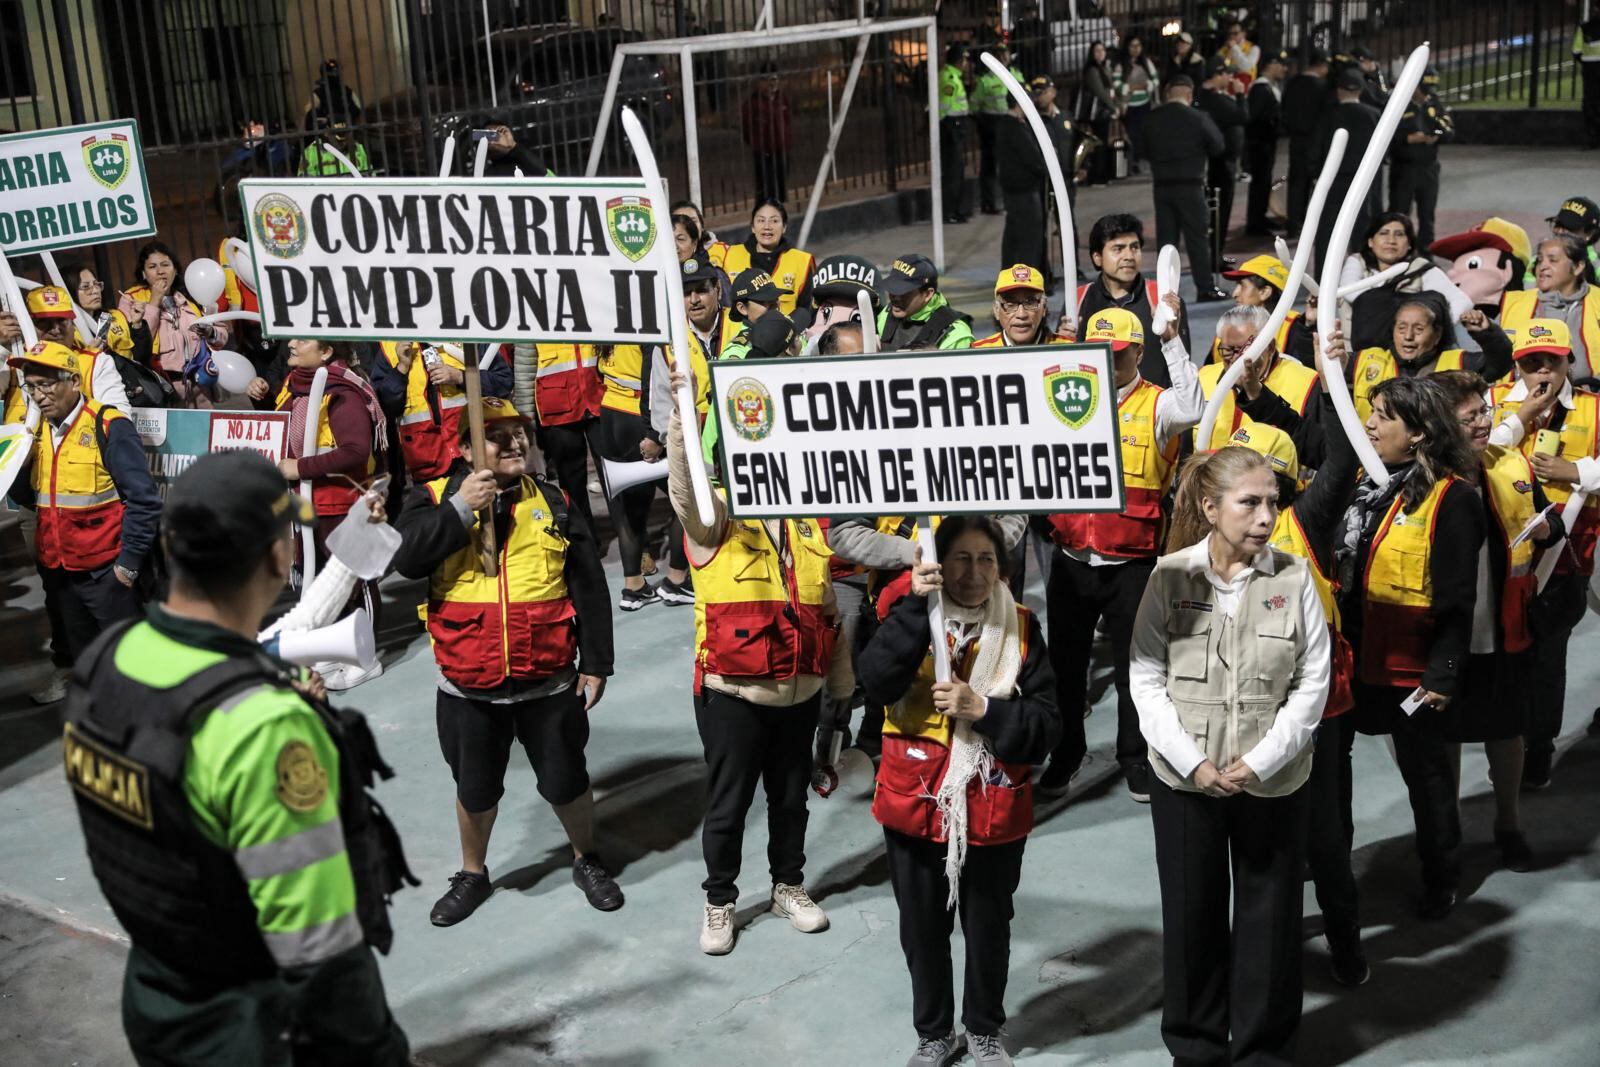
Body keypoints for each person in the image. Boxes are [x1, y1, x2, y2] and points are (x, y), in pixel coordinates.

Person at [67, 450, 411, 1065]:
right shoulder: (261, 729)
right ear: (280, 558)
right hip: (253, 1031)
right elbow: (322, 957)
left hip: (160, 1005)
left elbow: (280, 634)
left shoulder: (109, 659)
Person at [391, 396, 621, 925]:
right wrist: (460, 508)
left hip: (548, 681)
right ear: (465, 447)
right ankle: (473, 872)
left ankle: (587, 859)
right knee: (475, 788)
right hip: (468, 686)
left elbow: (587, 584)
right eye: (498, 435)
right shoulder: (430, 498)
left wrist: (597, 661)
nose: (516, 442)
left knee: (567, 780)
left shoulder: (556, 500)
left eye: (521, 432)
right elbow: (405, 558)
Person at [1132, 445, 1328, 1065]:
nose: (1267, 516)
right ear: (1211, 508)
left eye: (1273, 501)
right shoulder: (1168, 577)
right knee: (1192, 917)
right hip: (1186, 780)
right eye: (1250, 503)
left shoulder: (1296, 578)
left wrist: (1261, 762)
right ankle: (1195, 1047)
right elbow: (1145, 676)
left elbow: (1312, 683)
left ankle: (1264, 1050)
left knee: (1270, 920)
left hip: (1272, 781)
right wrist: (1193, 763)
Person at [857, 517, 1060, 1067]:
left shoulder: (1020, 627)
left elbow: (1046, 728)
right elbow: (873, 683)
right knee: (922, 927)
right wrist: (911, 617)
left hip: (992, 806)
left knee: (989, 924)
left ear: (1002, 567)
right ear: (938, 564)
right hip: (916, 802)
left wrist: (984, 710)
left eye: (986, 560)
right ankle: (933, 1033)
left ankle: (985, 1029)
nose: (973, 573)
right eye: (961, 560)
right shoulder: (912, 615)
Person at [665, 368, 841, 957]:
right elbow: (686, 492)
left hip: (801, 693)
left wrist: (838, 691)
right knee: (729, 804)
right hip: (733, 695)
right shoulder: (716, 522)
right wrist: (681, 416)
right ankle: (720, 901)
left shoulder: (807, 524)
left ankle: (788, 885)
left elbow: (829, 610)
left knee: (790, 800)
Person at [1036, 306, 1203, 798]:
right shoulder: (1067, 398)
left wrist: (1172, 340)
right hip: (1071, 560)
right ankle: (1065, 756)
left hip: (1132, 565)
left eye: (1119, 354)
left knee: (1140, 670)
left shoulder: (1159, 406)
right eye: (1100, 353)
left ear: (1138, 352)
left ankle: (1136, 757)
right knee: (1065, 669)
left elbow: (1193, 405)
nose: (1109, 363)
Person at [1338, 375, 1483, 919]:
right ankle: (1333, 861)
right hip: (1350, 665)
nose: (1370, 423)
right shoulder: (1358, 484)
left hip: (1410, 672)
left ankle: (1442, 873)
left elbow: (1456, 601)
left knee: (1427, 778)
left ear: (1419, 433)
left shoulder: (1454, 500)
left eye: (1384, 417)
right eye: (1371, 412)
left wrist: (1442, 676)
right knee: (1332, 775)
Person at [1431, 368, 1551, 870]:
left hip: (1504, 627)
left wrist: (1546, 527)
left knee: (1507, 731)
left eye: (1485, 410)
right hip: (1443, 638)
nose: (1483, 422)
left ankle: (1509, 823)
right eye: (1470, 416)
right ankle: (1448, 831)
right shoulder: (1421, 480)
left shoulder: (1506, 463)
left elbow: (1540, 514)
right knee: (1444, 740)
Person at [7, 340, 160, 703]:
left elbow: (144, 499)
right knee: (69, 637)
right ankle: (74, 682)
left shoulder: (109, 425)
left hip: (105, 567)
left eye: (47, 384)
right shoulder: (34, 432)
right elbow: (31, 497)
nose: (39, 396)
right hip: (57, 565)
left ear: (74, 381)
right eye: (31, 386)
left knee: (126, 647)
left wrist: (128, 564)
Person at [1486, 319, 1600, 790]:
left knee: (1549, 657)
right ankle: (1506, 737)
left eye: (1550, 361)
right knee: (1505, 658)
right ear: (1517, 367)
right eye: (1531, 363)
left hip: (1567, 556)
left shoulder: (1594, 410)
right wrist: (1521, 418)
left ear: (1568, 361)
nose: (1542, 372)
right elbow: (1470, 456)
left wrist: (1576, 469)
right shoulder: (1493, 404)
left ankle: (1540, 746)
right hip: (1500, 556)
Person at [273, 339, 386, 687]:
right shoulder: (292, 388)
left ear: (325, 353)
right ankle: (335, 651)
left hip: (343, 503)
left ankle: (365, 658)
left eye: (302, 339)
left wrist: (300, 468)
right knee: (320, 582)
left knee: (354, 583)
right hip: (306, 505)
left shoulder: (343, 392)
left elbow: (355, 451)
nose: (292, 343)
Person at [1351, 292, 1513, 423]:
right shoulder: (1367, 361)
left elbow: (1499, 364)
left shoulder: (1459, 364)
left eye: (1419, 329)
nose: (1408, 336)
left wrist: (1487, 334)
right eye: (1401, 328)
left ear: (1437, 335)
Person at [1195, 303, 1325, 461]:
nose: (1236, 359)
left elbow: (1321, 451)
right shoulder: (1203, 378)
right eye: (1228, 350)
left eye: (1244, 350)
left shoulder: (1307, 384)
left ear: (1269, 348)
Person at [368, 341, 512, 483]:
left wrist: (460, 377)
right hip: (427, 461)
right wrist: (401, 369)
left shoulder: (466, 333)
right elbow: (385, 408)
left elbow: (503, 383)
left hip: (474, 453)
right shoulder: (390, 346)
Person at [1077, 213, 1194, 383]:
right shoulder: (1080, 300)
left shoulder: (1163, 299)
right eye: (1118, 249)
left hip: (1154, 407)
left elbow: (1182, 370)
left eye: (1134, 247)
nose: (1129, 256)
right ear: (1097, 257)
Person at [1140, 77, 1228, 302]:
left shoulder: (1152, 119)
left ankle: (1165, 292)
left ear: (1168, 93)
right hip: (1190, 185)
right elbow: (1218, 145)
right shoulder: (1198, 118)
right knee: (1197, 239)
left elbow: (1141, 149)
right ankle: (1205, 287)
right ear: (1189, 95)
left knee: (1166, 241)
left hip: (1162, 187)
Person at [1342, 212, 1474, 351]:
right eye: (1383, 233)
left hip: (1408, 354)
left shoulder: (1421, 268)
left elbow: (1463, 301)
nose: (1391, 240)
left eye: (1399, 234)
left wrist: (1435, 327)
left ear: (1409, 244)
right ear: (1370, 241)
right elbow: (1350, 292)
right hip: (1357, 355)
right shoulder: (1357, 262)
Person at [119, 240, 231, 389]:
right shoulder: (131, 299)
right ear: (143, 274)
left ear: (175, 269)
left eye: (165, 265)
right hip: (165, 387)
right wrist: (154, 302)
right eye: (152, 267)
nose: (160, 271)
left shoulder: (191, 295)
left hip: (200, 387)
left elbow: (221, 338)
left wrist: (211, 332)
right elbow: (137, 345)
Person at [20, 285, 132, 416]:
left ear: (73, 324)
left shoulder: (96, 362)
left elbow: (119, 419)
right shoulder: (13, 360)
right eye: (44, 322)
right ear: (26, 324)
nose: (56, 330)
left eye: (62, 320)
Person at [1500, 235, 1600, 378]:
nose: (1543, 266)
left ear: (1578, 266)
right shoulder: (1513, 303)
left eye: (1553, 260)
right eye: (1540, 260)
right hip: (1521, 397)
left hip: (1588, 396)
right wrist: (1485, 333)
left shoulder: (1597, 302)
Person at [532, 340, 604, 535]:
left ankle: (639, 546)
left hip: (600, 396)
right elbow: (524, 369)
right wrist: (526, 417)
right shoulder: (531, 313)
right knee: (572, 485)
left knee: (613, 475)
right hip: (556, 406)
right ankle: (585, 544)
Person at [1313, 69, 1381, 273]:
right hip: (1362, 178)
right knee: (1361, 227)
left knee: (1327, 230)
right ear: (1360, 90)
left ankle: (1323, 276)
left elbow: (1316, 146)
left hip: (1332, 180)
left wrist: (1315, 172)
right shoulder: (1373, 115)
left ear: (1339, 91)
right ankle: (1363, 273)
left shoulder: (1329, 115)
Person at [717, 199, 816, 324]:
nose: (767, 227)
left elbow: (807, 310)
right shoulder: (730, 255)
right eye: (761, 220)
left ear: (784, 227)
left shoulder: (802, 261)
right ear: (753, 227)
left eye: (774, 221)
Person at [1388, 73, 1451, 249]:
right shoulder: (1399, 105)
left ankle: (1426, 249)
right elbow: (1388, 137)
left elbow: (1447, 131)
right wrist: (1407, 139)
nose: (1425, 94)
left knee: (1427, 212)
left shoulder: (1434, 105)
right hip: (1404, 168)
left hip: (1428, 167)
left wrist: (1435, 137)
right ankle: (1397, 248)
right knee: (1399, 212)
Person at [1195, 58, 1247, 271]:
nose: (1230, 78)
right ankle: (1214, 256)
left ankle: (1216, 253)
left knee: (1219, 211)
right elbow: (1242, 116)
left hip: (1220, 162)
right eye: (1226, 74)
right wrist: (1241, 94)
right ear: (1216, 75)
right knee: (1220, 210)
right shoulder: (1214, 100)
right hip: (1220, 163)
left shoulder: (1209, 97)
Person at [1219, 253, 1316, 363]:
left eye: (1242, 285)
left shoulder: (1294, 329)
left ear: (1264, 292)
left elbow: (1306, 372)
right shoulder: (1228, 327)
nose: (1234, 293)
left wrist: (1307, 330)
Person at [996, 85, 1051, 279]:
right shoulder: (1016, 128)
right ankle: (1027, 281)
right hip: (1025, 192)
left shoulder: (1005, 125)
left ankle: (1009, 278)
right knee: (1029, 240)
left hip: (1013, 192)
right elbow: (1034, 159)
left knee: (1013, 238)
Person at [877, 255, 974, 351]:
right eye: (892, 289)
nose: (895, 297)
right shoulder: (887, 313)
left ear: (928, 294)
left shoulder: (955, 334)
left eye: (903, 292)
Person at [1282, 50, 1331, 233]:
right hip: (1315, 140)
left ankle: (1294, 223)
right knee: (1318, 182)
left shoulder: (1293, 83)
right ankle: (1313, 224)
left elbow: (1285, 109)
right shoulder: (1322, 87)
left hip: (1296, 139)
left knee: (1297, 182)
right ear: (1321, 65)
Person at [972, 45, 1023, 215]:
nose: (1003, 57)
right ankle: (989, 203)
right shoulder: (985, 80)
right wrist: (984, 124)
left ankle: (1012, 201)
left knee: (1013, 164)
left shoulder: (1015, 74)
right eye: (999, 55)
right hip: (992, 125)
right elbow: (975, 105)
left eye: (1005, 53)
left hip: (1014, 122)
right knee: (991, 166)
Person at [974, 265, 1071, 347]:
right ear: (996, 310)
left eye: (1030, 302)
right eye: (1010, 304)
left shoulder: (1066, 349)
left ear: (1044, 308)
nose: (1021, 314)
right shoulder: (978, 354)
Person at [1245, 50, 1287, 235]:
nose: (1283, 69)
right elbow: (1255, 117)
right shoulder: (1260, 89)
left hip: (1266, 143)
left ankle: (1260, 217)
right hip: (1259, 144)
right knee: (1259, 182)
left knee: (1264, 181)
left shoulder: (1270, 87)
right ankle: (1255, 223)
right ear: (1271, 65)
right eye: (1280, 64)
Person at [741, 65, 792, 204]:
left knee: (782, 183)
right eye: (768, 79)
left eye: (775, 79)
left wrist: (786, 139)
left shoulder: (782, 99)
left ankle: (782, 208)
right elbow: (746, 127)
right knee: (764, 186)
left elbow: (787, 121)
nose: (772, 83)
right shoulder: (752, 103)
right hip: (763, 152)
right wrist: (755, 143)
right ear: (760, 82)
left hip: (782, 150)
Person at [718, 268, 788, 360]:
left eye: (775, 298)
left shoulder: (789, 329)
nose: (775, 306)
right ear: (742, 308)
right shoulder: (736, 352)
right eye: (764, 301)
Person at [1075, 41, 1119, 186]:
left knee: (1104, 143)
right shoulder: (1092, 70)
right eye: (1097, 51)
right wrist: (1113, 107)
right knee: (1099, 144)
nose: (1100, 53)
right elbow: (1100, 92)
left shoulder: (1103, 67)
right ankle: (1097, 176)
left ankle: (1103, 174)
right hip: (1096, 114)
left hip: (1103, 113)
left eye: (1102, 50)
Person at [939, 44, 974, 223]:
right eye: (965, 59)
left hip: (955, 127)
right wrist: (949, 128)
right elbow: (944, 108)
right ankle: (950, 212)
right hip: (951, 128)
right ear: (960, 61)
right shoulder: (950, 79)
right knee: (953, 172)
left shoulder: (951, 75)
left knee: (957, 171)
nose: (967, 63)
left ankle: (957, 209)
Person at [1119, 35, 1159, 175]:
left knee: (1143, 133)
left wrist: (1140, 86)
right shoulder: (1121, 65)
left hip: (1144, 103)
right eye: (1132, 46)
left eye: (1138, 46)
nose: (1135, 49)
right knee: (1131, 134)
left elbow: (1155, 81)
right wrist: (1135, 87)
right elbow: (1119, 85)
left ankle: (1142, 160)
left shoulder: (1146, 63)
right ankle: (1132, 162)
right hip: (1129, 105)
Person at [1543, 196, 1600, 282]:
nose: (1560, 232)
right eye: (1558, 224)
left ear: (1590, 234)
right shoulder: (1539, 256)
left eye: (1569, 227)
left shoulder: (1595, 266)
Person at [1010, 2, 1050, 81]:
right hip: (1024, 63)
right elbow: (1013, 46)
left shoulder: (1041, 25)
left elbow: (1049, 43)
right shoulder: (1019, 27)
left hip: (1039, 63)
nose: (1030, 14)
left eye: (1032, 11)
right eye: (1027, 12)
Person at [1577, 13, 1600, 149]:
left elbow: (1576, 51)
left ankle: (1592, 137)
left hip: (1590, 69)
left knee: (1591, 103)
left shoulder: (1585, 27)